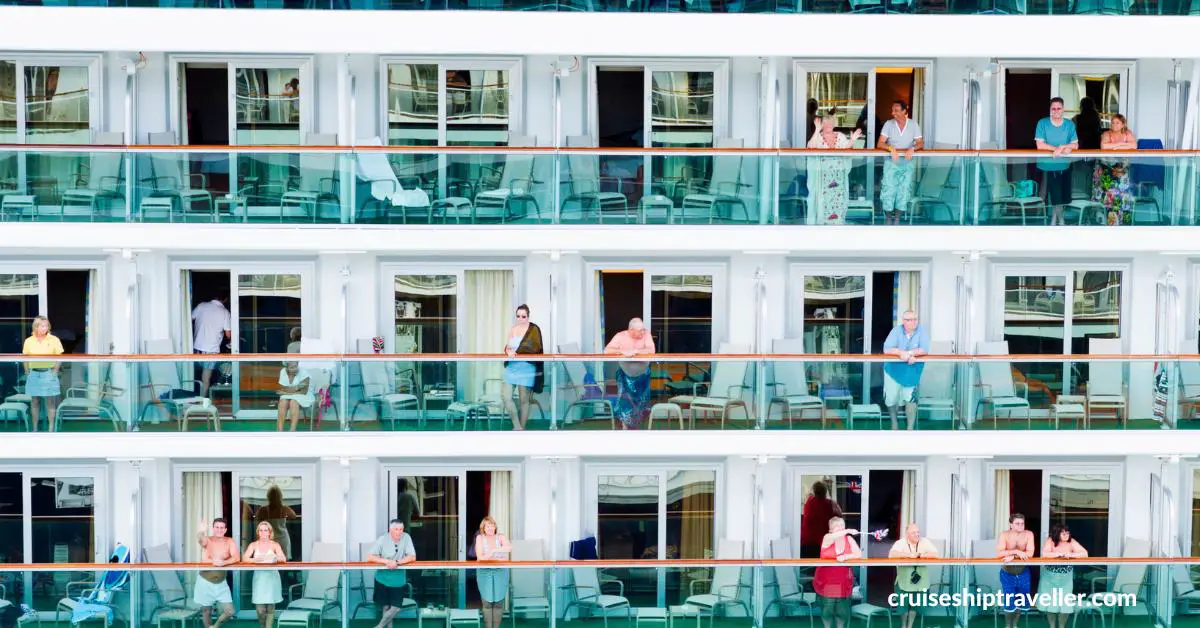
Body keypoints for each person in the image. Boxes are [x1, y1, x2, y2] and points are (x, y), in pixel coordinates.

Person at [807, 115, 863, 225]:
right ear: (822, 125)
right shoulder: (818, 136)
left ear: (834, 124)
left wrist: (852, 140)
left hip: (838, 176)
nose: (828, 125)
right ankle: (823, 225)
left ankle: (838, 224)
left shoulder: (840, 136)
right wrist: (817, 130)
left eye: (831, 123)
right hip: (822, 177)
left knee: (838, 200)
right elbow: (810, 147)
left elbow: (847, 148)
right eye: (826, 123)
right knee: (823, 200)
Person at [877, 100, 924, 225]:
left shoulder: (913, 124)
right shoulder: (889, 124)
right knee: (888, 190)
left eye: (896, 111)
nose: (893, 113)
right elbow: (880, 143)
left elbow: (920, 143)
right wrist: (890, 148)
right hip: (891, 163)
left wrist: (913, 148)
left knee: (904, 191)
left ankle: (897, 219)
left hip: (907, 164)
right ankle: (888, 219)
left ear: (905, 111)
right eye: (892, 110)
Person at [604, 318, 657, 429]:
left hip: (642, 376)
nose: (643, 332)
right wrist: (623, 352)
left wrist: (635, 352)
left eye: (643, 329)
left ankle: (637, 427)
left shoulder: (646, 335)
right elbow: (607, 351)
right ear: (632, 330)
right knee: (624, 401)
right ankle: (624, 427)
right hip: (624, 374)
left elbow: (651, 351)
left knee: (641, 402)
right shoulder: (620, 336)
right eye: (640, 330)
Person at [882, 310, 930, 430]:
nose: (913, 322)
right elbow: (887, 349)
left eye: (915, 319)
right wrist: (900, 353)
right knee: (891, 399)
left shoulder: (921, 330)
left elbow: (924, 349)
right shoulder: (896, 330)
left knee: (910, 399)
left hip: (911, 371)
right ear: (904, 321)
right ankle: (894, 423)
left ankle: (910, 429)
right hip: (893, 371)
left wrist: (908, 353)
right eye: (909, 320)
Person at [1035, 98, 1080, 226]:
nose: (1056, 111)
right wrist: (1058, 149)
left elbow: (1075, 145)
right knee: (1055, 196)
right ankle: (1061, 222)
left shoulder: (1069, 124)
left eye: (1058, 108)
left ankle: (1054, 221)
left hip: (1065, 165)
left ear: (1063, 109)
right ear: (1050, 109)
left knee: (1063, 196)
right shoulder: (1042, 123)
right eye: (1053, 108)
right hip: (1047, 166)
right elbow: (1040, 145)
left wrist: (1061, 148)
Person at [368, 519, 418, 628]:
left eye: (401, 529)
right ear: (390, 530)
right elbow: (370, 557)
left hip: (398, 580)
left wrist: (396, 562)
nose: (399, 532)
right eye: (396, 529)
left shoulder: (406, 537)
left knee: (396, 607)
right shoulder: (383, 539)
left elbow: (412, 557)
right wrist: (387, 562)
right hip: (382, 578)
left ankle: (379, 626)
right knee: (386, 607)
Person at [888, 523, 940, 628]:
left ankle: (910, 626)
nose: (917, 534)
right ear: (907, 534)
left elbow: (936, 554)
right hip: (903, 581)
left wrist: (922, 555)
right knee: (903, 606)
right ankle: (903, 625)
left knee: (914, 606)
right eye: (914, 532)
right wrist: (908, 555)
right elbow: (891, 554)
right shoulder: (900, 543)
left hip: (920, 582)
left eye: (918, 532)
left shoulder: (925, 541)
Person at [813, 517, 861, 628]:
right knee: (828, 610)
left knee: (842, 611)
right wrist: (848, 530)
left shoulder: (849, 539)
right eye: (837, 526)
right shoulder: (828, 537)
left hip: (844, 580)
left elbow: (858, 554)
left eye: (842, 525)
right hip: (828, 581)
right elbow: (836, 535)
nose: (840, 528)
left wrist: (846, 556)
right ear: (830, 529)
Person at [1037, 523, 1088, 628]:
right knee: (1050, 603)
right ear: (1056, 534)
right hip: (1049, 578)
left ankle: (1062, 627)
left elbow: (1085, 553)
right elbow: (1045, 554)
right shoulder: (1050, 541)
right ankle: (1052, 626)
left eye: (1067, 532)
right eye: (1063, 533)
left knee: (1065, 604)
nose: (1066, 535)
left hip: (1066, 578)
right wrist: (1059, 554)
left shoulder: (1071, 541)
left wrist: (1071, 555)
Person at [502, 304, 544, 431]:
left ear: (528, 316)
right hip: (512, 367)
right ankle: (517, 426)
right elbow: (507, 346)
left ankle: (521, 430)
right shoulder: (513, 329)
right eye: (518, 316)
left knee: (524, 400)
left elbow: (536, 349)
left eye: (523, 316)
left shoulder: (534, 330)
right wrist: (508, 351)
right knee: (506, 397)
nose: (520, 319)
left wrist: (520, 352)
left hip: (527, 367)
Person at [195, 517, 239, 628]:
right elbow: (200, 539)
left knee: (230, 611)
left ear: (225, 530)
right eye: (217, 527)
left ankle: (215, 627)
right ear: (213, 528)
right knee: (206, 611)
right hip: (205, 582)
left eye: (221, 527)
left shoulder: (229, 541)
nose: (219, 529)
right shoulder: (207, 540)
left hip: (221, 583)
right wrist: (200, 531)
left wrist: (224, 563)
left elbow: (236, 557)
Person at [23, 316, 63, 433]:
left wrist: (55, 371)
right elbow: (25, 357)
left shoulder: (54, 339)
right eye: (42, 325)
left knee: (50, 401)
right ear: (36, 326)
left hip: (49, 373)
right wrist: (27, 371)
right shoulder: (29, 341)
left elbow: (60, 357)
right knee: (34, 401)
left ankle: (51, 429)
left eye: (46, 326)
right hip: (34, 373)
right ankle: (35, 429)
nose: (44, 328)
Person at [1095, 113, 1137, 226]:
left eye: (1117, 123)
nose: (1114, 125)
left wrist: (1115, 146)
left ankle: (1123, 224)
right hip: (1107, 170)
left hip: (1122, 171)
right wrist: (1122, 145)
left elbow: (1133, 146)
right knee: (1109, 196)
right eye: (1113, 122)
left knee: (1123, 196)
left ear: (1123, 124)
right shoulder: (1107, 134)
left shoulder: (1128, 134)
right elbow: (1104, 146)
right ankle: (1107, 224)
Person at [996, 513, 1036, 627]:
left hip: (1023, 572)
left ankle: (1015, 624)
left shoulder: (1028, 534)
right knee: (1009, 599)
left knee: (1021, 599)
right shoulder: (1004, 534)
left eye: (1022, 523)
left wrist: (1013, 556)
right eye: (1017, 524)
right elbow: (999, 553)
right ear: (1011, 525)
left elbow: (1030, 554)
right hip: (1007, 573)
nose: (1020, 526)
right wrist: (1017, 552)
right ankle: (1008, 625)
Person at [243, 521, 286, 628]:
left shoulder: (275, 545)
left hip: (272, 579)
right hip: (259, 579)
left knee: (271, 608)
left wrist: (276, 558)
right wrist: (255, 559)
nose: (263, 532)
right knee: (260, 610)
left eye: (265, 530)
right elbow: (244, 559)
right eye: (261, 530)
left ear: (269, 532)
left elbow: (283, 558)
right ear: (258, 532)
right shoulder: (253, 545)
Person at [474, 516, 512, 628]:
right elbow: (480, 557)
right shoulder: (480, 538)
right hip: (484, 572)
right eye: (487, 526)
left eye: (492, 525)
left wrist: (493, 550)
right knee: (487, 603)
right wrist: (498, 556)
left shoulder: (501, 537)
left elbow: (509, 548)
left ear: (495, 527)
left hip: (501, 572)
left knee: (498, 604)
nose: (490, 528)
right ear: (483, 528)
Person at [192, 294, 232, 397]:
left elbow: (190, 318)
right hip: (211, 351)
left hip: (196, 349)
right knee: (206, 379)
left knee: (193, 377)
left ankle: (194, 398)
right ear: (225, 299)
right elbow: (228, 334)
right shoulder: (224, 312)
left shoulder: (201, 306)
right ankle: (202, 402)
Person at [254, 485, 299, 560]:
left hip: (270, 538)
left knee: (269, 559)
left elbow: (257, 517)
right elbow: (294, 516)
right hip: (283, 539)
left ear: (268, 496)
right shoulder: (284, 508)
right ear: (280, 496)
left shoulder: (263, 509)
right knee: (283, 560)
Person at [800, 481, 842, 558]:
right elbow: (839, 515)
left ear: (815, 492)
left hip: (808, 543)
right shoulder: (830, 504)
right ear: (825, 492)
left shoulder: (810, 502)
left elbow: (809, 494)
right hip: (823, 543)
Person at [276, 362, 312, 431]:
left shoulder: (303, 372)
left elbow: (304, 391)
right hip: (290, 393)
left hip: (305, 395)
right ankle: (279, 430)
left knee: (293, 402)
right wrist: (297, 388)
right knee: (283, 402)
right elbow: (283, 388)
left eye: (296, 366)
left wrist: (286, 392)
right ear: (287, 368)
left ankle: (292, 430)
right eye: (292, 367)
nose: (295, 369)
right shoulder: (283, 371)